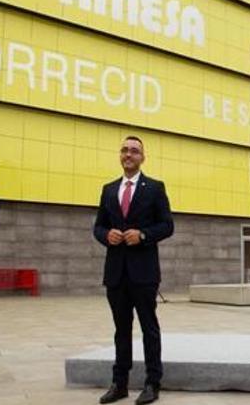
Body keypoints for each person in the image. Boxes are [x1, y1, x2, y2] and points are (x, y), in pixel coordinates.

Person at [93, 136, 174, 405]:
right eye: (125, 150)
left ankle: (153, 382)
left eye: (135, 151)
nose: (129, 154)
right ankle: (120, 383)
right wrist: (107, 236)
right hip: (116, 272)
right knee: (121, 329)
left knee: (149, 328)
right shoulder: (108, 189)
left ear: (143, 157)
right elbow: (98, 227)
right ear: (120, 155)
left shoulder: (155, 188)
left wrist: (142, 235)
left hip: (144, 272)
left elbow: (167, 225)